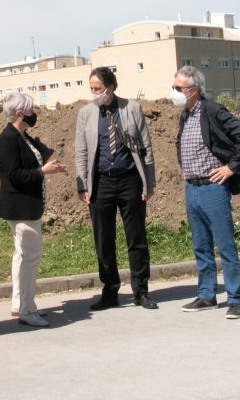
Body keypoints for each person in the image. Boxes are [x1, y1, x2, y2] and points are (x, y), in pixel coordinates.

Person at [173, 65, 240, 320]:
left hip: (213, 188)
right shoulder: (185, 115)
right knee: (201, 245)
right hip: (193, 188)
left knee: (225, 245)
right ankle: (207, 294)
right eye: (173, 87)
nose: (174, 92)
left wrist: (231, 168)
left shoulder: (211, 110)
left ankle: (235, 299)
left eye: (179, 88)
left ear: (194, 90)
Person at [74, 67, 158, 310]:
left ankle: (141, 290)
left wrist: (148, 182)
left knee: (136, 236)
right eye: (91, 88)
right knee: (104, 238)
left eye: (98, 88)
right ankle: (110, 290)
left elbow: (146, 148)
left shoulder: (131, 109)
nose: (94, 92)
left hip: (129, 179)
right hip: (100, 182)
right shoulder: (86, 114)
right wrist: (82, 185)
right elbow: (81, 150)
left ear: (110, 87)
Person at [0, 92, 67, 327]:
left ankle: (20, 304)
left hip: (27, 206)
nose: (34, 113)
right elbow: (13, 176)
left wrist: (47, 166)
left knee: (22, 255)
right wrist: (42, 172)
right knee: (30, 257)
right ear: (19, 113)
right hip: (20, 208)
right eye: (31, 109)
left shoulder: (22, 136)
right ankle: (27, 309)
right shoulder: (7, 140)